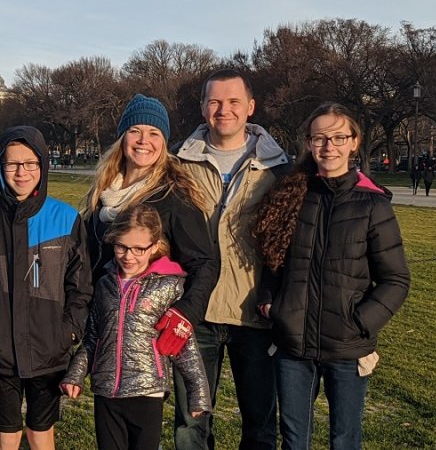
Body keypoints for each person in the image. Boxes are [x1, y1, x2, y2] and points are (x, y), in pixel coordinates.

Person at [253, 102, 411, 450]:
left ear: (354, 142)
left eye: (339, 137)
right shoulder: (291, 195)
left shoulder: (373, 205)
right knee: (295, 439)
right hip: (294, 344)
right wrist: (269, 303)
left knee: (345, 438)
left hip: (347, 344)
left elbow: (396, 279)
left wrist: (361, 322)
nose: (329, 147)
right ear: (308, 143)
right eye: (320, 138)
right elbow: (273, 260)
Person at [172, 69, 289, 450]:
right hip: (194, 311)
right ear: (203, 107)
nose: (224, 109)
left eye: (234, 101)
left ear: (250, 107)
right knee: (191, 424)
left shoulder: (279, 169)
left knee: (259, 423)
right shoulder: (177, 164)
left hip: (254, 313)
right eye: (215, 101)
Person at [0, 125, 91, 450]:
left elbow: (80, 287)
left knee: (41, 429)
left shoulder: (66, 218)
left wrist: (68, 333)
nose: (22, 172)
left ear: (42, 165)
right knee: (6, 430)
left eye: (30, 163)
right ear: (1, 166)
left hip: (49, 350)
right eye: (12, 163)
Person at [79, 93, 219, 365]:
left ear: (164, 142)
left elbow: (205, 262)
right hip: (103, 327)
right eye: (135, 131)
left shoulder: (174, 197)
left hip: (148, 333)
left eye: (154, 133)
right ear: (123, 138)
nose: (144, 141)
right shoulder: (103, 193)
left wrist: (186, 314)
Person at [61, 205, 210, 450]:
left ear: (154, 246)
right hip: (107, 393)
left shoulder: (170, 288)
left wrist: (198, 393)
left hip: (147, 394)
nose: (129, 256)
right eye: (121, 247)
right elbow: (93, 337)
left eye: (139, 249)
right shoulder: (104, 285)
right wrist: (75, 374)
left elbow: (185, 346)